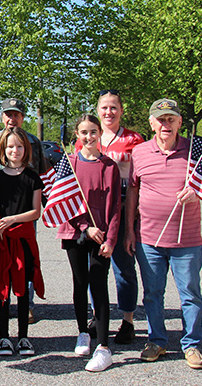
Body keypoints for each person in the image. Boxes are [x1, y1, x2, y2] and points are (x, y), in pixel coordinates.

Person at [126, 99, 202, 370]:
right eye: (160, 120)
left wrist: (198, 193)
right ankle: (157, 340)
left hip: (187, 240)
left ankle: (191, 344)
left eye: (171, 119)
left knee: (190, 294)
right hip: (149, 239)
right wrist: (129, 231)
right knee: (152, 293)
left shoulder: (196, 151)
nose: (166, 124)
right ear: (151, 123)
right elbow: (133, 193)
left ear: (179, 123)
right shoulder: (139, 152)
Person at [56, 115, 120, 372]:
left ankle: (103, 346)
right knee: (80, 282)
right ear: (77, 134)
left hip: (102, 236)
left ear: (99, 133)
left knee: (99, 284)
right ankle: (83, 331)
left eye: (93, 132)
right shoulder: (69, 164)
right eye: (84, 132)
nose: (89, 137)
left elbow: (116, 206)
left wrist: (111, 238)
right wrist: (85, 226)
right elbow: (63, 200)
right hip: (76, 231)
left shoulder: (110, 166)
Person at [84, 90, 144, 344]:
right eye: (104, 107)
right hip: (96, 214)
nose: (108, 112)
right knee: (95, 270)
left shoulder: (134, 139)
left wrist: (134, 215)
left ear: (121, 110)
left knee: (124, 268)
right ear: (97, 110)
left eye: (113, 107)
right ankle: (97, 316)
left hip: (122, 209)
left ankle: (127, 320)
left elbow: (139, 180)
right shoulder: (89, 136)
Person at [0, 98, 49, 323]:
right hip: (0, 214)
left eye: (17, 115)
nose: (12, 119)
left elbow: (40, 174)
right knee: (1, 258)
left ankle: (27, 305)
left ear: (22, 117)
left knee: (25, 261)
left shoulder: (33, 142)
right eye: (8, 114)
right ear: (2, 117)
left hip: (24, 214)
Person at [0, 127, 45, 358]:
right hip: (2, 240)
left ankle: (23, 337)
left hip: (24, 239)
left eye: (19, 146)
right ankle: (3, 337)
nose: (15, 150)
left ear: (26, 149)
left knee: (22, 288)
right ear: (3, 150)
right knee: (3, 288)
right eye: (10, 146)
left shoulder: (32, 177)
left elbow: (36, 212)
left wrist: (12, 220)